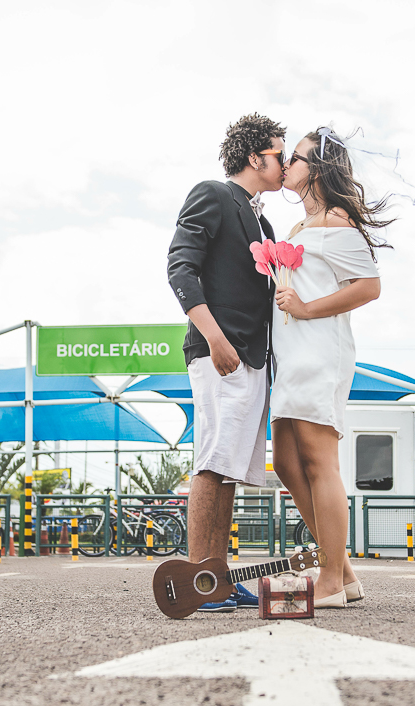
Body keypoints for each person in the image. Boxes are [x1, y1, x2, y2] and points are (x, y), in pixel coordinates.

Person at [270, 126, 396, 608]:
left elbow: (369, 286)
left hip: (319, 349)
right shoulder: (303, 225)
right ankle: (342, 571)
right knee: (284, 461)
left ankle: (329, 581)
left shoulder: (337, 222)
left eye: (296, 158)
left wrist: (305, 309)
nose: (287, 167)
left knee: (320, 462)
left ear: (318, 169)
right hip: (292, 352)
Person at [167, 113, 287, 612]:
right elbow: (180, 265)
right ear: (255, 156)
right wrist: (214, 339)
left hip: (251, 356)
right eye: (280, 155)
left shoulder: (263, 219)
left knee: (230, 468)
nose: (285, 165)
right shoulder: (212, 193)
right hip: (221, 352)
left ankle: (216, 576)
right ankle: (200, 580)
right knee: (212, 462)